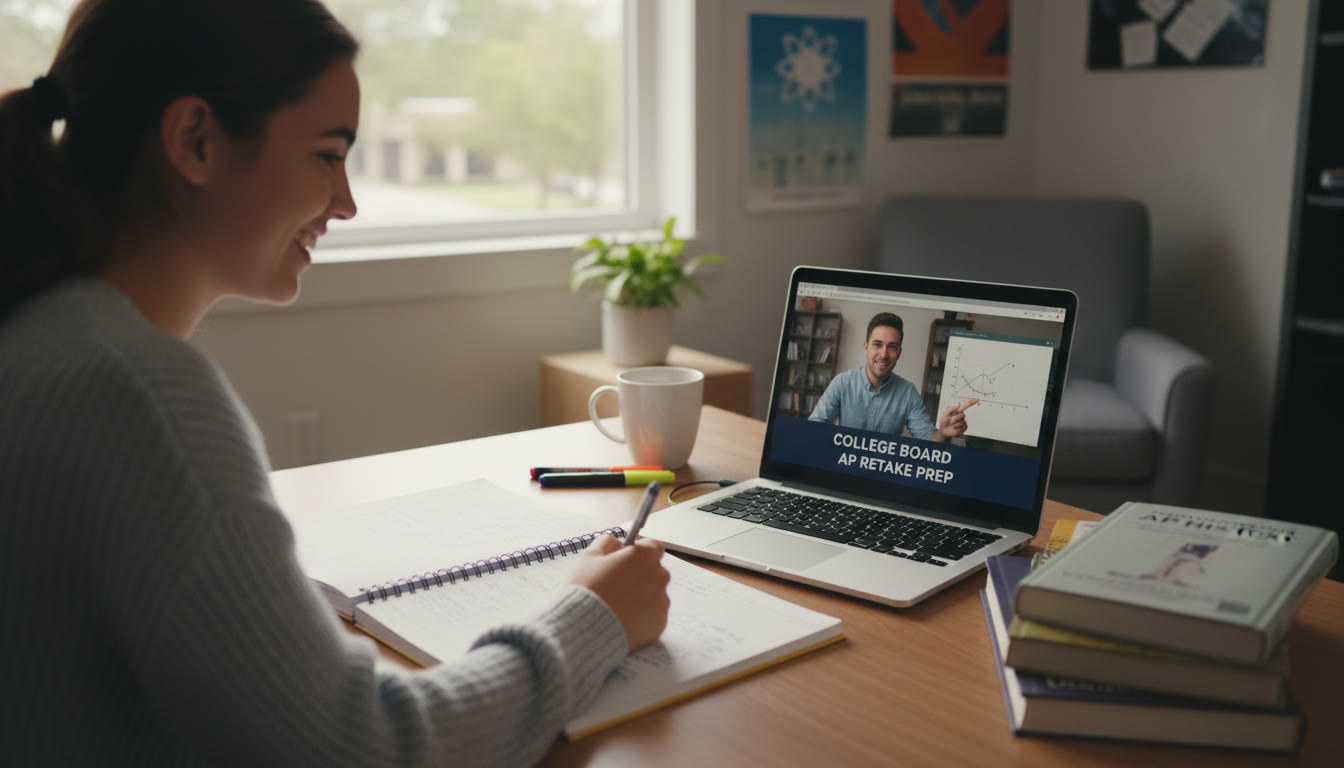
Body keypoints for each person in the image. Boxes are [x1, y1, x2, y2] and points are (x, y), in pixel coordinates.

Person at [0, 2, 671, 765]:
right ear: (194, 141)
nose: (346, 203)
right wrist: (592, 616)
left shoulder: (43, 332)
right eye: (327, 155)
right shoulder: (135, 393)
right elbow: (367, 750)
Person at [808, 312, 977, 441]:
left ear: (899, 353)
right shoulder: (842, 382)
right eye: (877, 344)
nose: (883, 354)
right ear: (866, 347)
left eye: (892, 347)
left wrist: (943, 432)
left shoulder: (908, 392)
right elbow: (813, 429)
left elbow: (928, 440)